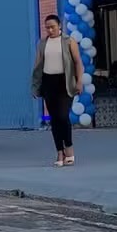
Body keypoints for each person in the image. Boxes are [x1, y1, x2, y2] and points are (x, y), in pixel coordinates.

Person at [30, 14, 84, 167]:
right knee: (54, 118)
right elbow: (37, 66)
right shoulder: (42, 43)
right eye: (47, 27)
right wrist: (35, 86)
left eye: (52, 26)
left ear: (59, 26)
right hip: (49, 82)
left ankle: (69, 148)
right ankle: (59, 152)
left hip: (64, 82)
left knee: (62, 115)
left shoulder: (68, 41)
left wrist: (79, 81)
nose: (50, 30)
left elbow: (78, 62)